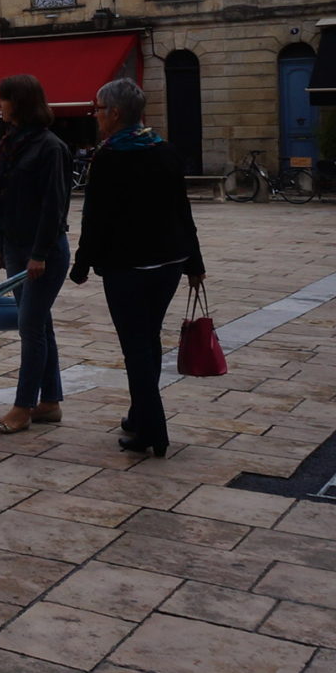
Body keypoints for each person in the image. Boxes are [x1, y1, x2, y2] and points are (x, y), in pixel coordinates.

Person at [71, 78, 205, 457]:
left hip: (127, 265)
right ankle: (138, 412)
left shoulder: (109, 157)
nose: (95, 115)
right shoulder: (162, 150)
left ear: (114, 113)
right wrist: (194, 261)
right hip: (168, 262)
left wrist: (81, 264)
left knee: (136, 347)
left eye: (97, 109)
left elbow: (94, 218)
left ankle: (152, 430)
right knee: (148, 339)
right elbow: (183, 209)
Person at [0, 73, 73, 435]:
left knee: (30, 327)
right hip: (15, 246)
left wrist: (38, 254)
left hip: (43, 252)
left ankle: (23, 407)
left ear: (20, 103)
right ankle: (50, 402)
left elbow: (54, 207)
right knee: (41, 324)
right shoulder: (11, 143)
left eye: (3, 99)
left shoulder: (49, 147)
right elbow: (3, 201)